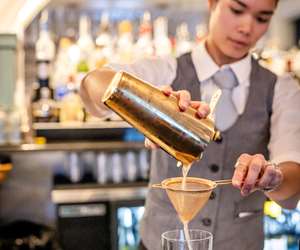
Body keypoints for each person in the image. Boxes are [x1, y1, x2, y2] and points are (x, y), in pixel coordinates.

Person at [80, 0, 300, 249]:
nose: (246, 27)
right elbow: (92, 87)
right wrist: (145, 101)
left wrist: (272, 177)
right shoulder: (165, 70)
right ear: (213, 4)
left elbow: (293, 178)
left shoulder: (282, 89)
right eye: (237, 10)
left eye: (262, 18)